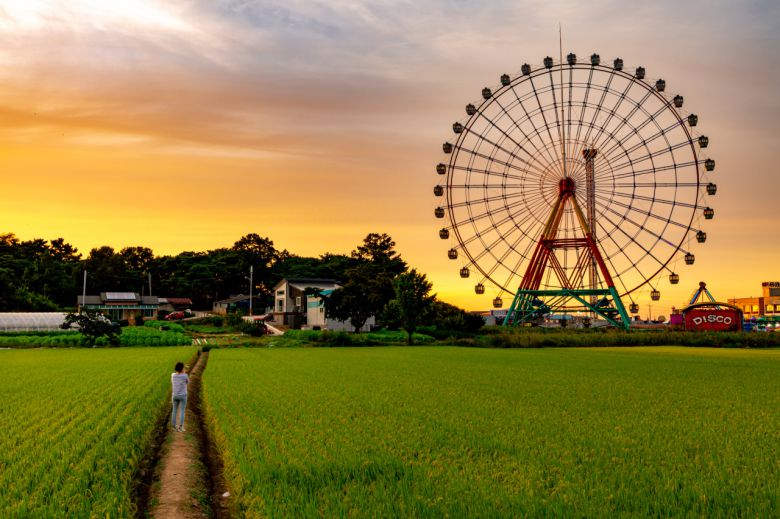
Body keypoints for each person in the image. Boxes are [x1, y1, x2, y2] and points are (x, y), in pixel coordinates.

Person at [171, 361, 189, 432]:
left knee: (174, 411)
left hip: (174, 395)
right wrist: (184, 372)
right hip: (183, 395)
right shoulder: (185, 375)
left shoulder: (172, 375)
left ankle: (174, 426)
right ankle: (181, 427)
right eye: (183, 367)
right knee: (182, 411)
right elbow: (188, 382)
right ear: (182, 368)